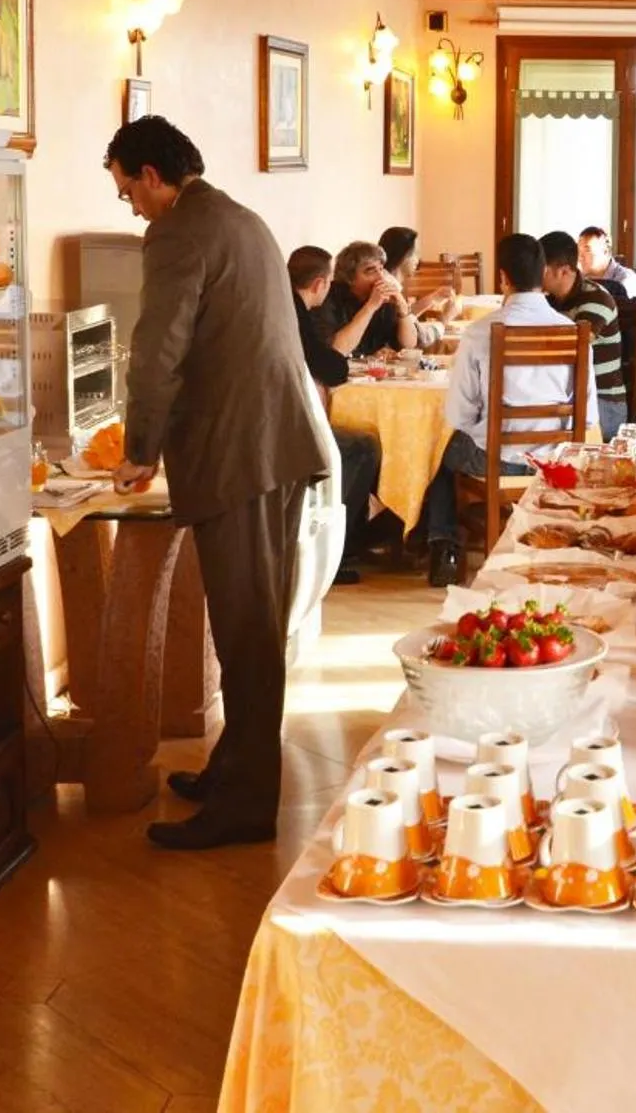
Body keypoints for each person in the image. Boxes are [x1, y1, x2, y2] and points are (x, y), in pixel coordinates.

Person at [105, 116, 329, 850]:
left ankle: (245, 807)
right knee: (255, 623)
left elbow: (156, 350)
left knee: (246, 628)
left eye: (126, 190)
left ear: (149, 174)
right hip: (276, 442)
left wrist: (140, 448)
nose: (130, 206)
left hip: (238, 451)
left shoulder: (175, 232)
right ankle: (236, 765)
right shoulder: (239, 216)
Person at [420, 233, 583, 586]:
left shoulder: (482, 332)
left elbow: (459, 415)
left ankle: (444, 547)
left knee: (437, 453)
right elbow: (588, 413)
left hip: (498, 456)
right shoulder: (571, 330)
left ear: (504, 278)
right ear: (543, 274)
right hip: (555, 458)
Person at [289, 245, 381, 586]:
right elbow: (330, 367)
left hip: (279, 414)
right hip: (289, 425)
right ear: (319, 284)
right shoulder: (298, 312)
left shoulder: (286, 305)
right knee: (361, 446)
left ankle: (356, 537)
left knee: (360, 442)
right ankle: (337, 549)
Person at [540, 229, 627, 440]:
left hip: (602, 403)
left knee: (528, 430)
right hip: (565, 397)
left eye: (540, 270)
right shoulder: (549, 300)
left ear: (563, 271)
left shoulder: (596, 299)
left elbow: (570, 349)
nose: (534, 275)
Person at [321, 239, 418, 357]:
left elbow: (409, 345)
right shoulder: (328, 297)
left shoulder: (386, 300)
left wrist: (403, 311)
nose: (380, 277)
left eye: (381, 269)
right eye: (370, 271)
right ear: (349, 278)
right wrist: (371, 306)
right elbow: (337, 350)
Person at [378, 225, 454, 347]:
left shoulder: (386, 281)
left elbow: (404, 316)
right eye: (415, 254)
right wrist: (445, 319)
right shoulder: (388, 289)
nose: (418, 260)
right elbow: (419, 338)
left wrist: (432, 298)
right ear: (403, 255)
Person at [577, 225, 636, 302]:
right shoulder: (579, 281)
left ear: (606, 251)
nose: (580, 257)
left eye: (587, 250)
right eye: (578, 251)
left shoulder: (625, 282)